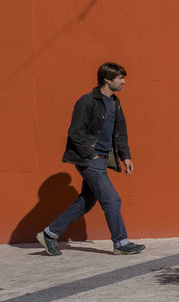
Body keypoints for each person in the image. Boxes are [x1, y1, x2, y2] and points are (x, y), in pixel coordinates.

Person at [37, 62, 145, 255]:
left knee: (86, 201)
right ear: (107, 79)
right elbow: (75, 133)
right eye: (120, 78)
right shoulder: (87, 101)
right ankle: (121, 243)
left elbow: (120, 132)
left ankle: (49, 234)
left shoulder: (115, 102)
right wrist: (91, 154)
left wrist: (125, 156)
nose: (124, 82)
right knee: (112, 200)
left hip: (101, 158)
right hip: (89, 159)